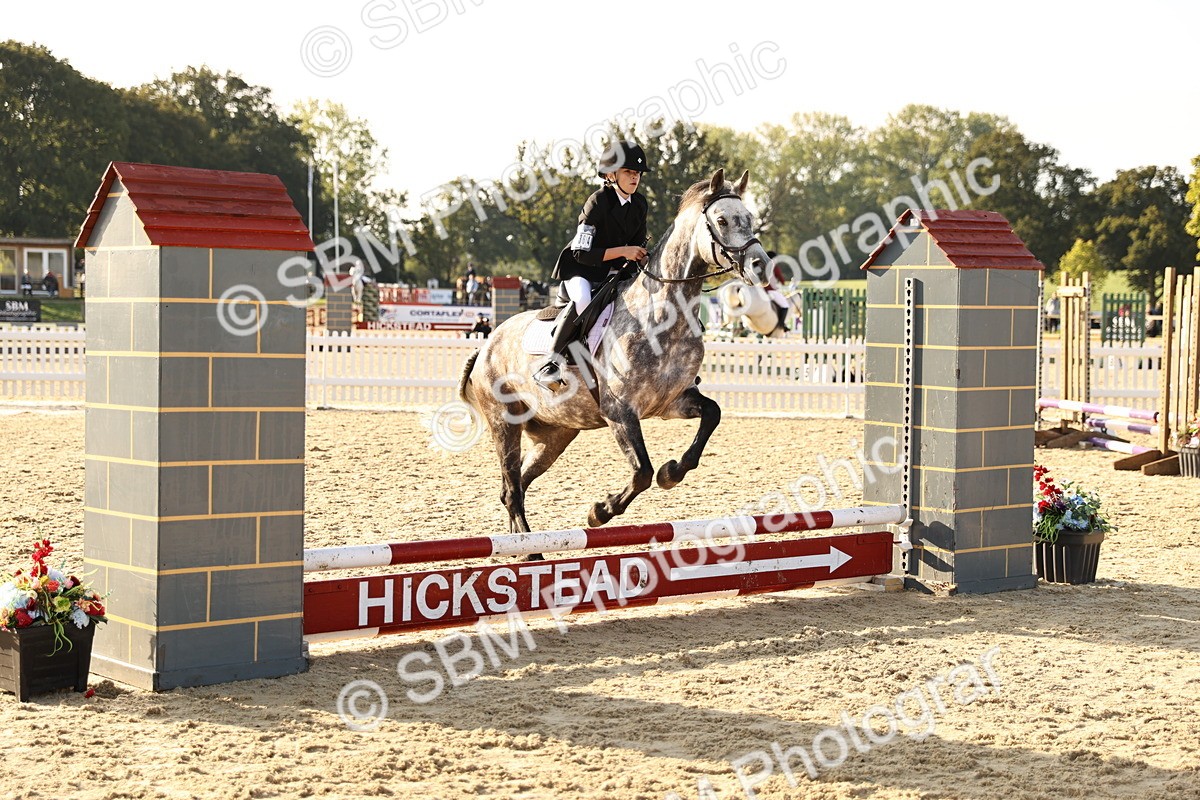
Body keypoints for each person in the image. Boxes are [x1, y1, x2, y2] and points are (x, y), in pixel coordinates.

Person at [534, 140, 650, 389]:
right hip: (581, 270)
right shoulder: (597, 202)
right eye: (629, 172)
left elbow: (637, 245)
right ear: (611, 175)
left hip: (614, 273)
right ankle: (551, 364)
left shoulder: (640, 204)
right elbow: (581, 252)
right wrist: (625, 251)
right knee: (584, 301)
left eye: (637, 173)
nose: (635, 178)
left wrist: (642, 256)